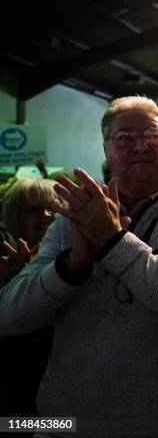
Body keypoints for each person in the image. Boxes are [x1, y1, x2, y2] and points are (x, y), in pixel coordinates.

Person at [0, 96, 158, 437]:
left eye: (153, 134)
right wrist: (73, 264)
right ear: (107, 150)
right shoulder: (70, 219)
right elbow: (8, 316)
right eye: (125, 138)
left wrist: (113, 241)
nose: (140, 146)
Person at [0, 178, 60, 421]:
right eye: (34, 209)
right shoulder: (4, 259)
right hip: (15, 383)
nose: (45, 215)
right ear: (15, 216)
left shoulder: (72, 255)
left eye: (52, 207)